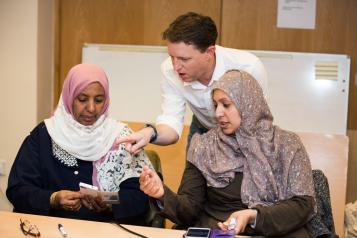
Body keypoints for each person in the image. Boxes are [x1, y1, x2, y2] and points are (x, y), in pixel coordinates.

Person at [139, 70, 316, 237]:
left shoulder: (287, 145)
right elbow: (189, 210)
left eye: (226, 104)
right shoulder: (204, 146)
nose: (218, 113)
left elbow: (303, 206)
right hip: (216, 231)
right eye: (215, 105)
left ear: (248, 103)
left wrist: (253, 215)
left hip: (275, 232)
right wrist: (162, 194)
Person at [6, 64, 153, 224]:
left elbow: (142, 196)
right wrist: (53, 198)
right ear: (69, 97)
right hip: (52, 229)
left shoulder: (120, 137)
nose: (91, 108)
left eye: (99, 100)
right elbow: (18, 190)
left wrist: (108, 201)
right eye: (82, 99)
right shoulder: (44, 135)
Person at [117, 12, 268, 154]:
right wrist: (150, 133)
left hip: (244, 134)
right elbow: (171, 122)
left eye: (184, 59)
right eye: (172, 57)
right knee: (191, 181)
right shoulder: (169, 69)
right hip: (202, 129)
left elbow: (256, 122)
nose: (176, 66)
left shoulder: (249, 68)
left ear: (209, 53)